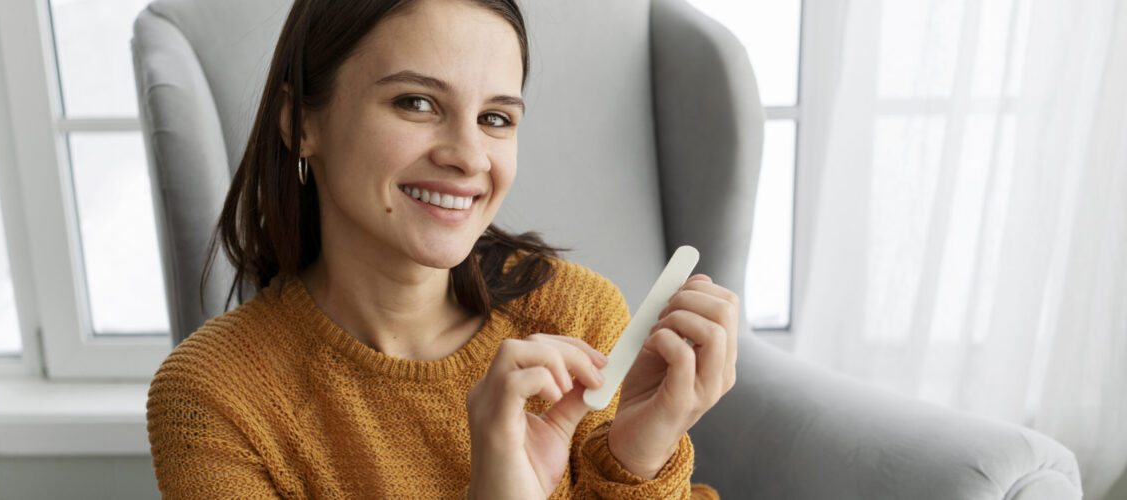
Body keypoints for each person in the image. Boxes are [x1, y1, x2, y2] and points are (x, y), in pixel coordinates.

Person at [145, 0, 740, 498]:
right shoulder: (214, 395)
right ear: (301, 122)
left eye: (495, 118)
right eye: (417, 103)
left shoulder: (578, 317)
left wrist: (636, 460)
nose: (469, 155)